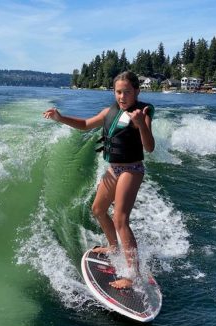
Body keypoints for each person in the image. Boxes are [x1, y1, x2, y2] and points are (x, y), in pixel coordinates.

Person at [43, 71, 155, 289]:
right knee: (98, 209)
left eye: (127, 92)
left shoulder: (142, 113)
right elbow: (85, 124)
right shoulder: (109, 111)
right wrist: (60, 117)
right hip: (114, 169)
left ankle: (133, 276)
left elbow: (149, 147)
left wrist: (140, 124)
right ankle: (114, 248)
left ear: (137, 92)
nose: (122, 97)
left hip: (132, 169)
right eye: (118, 92)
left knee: (120, 219)